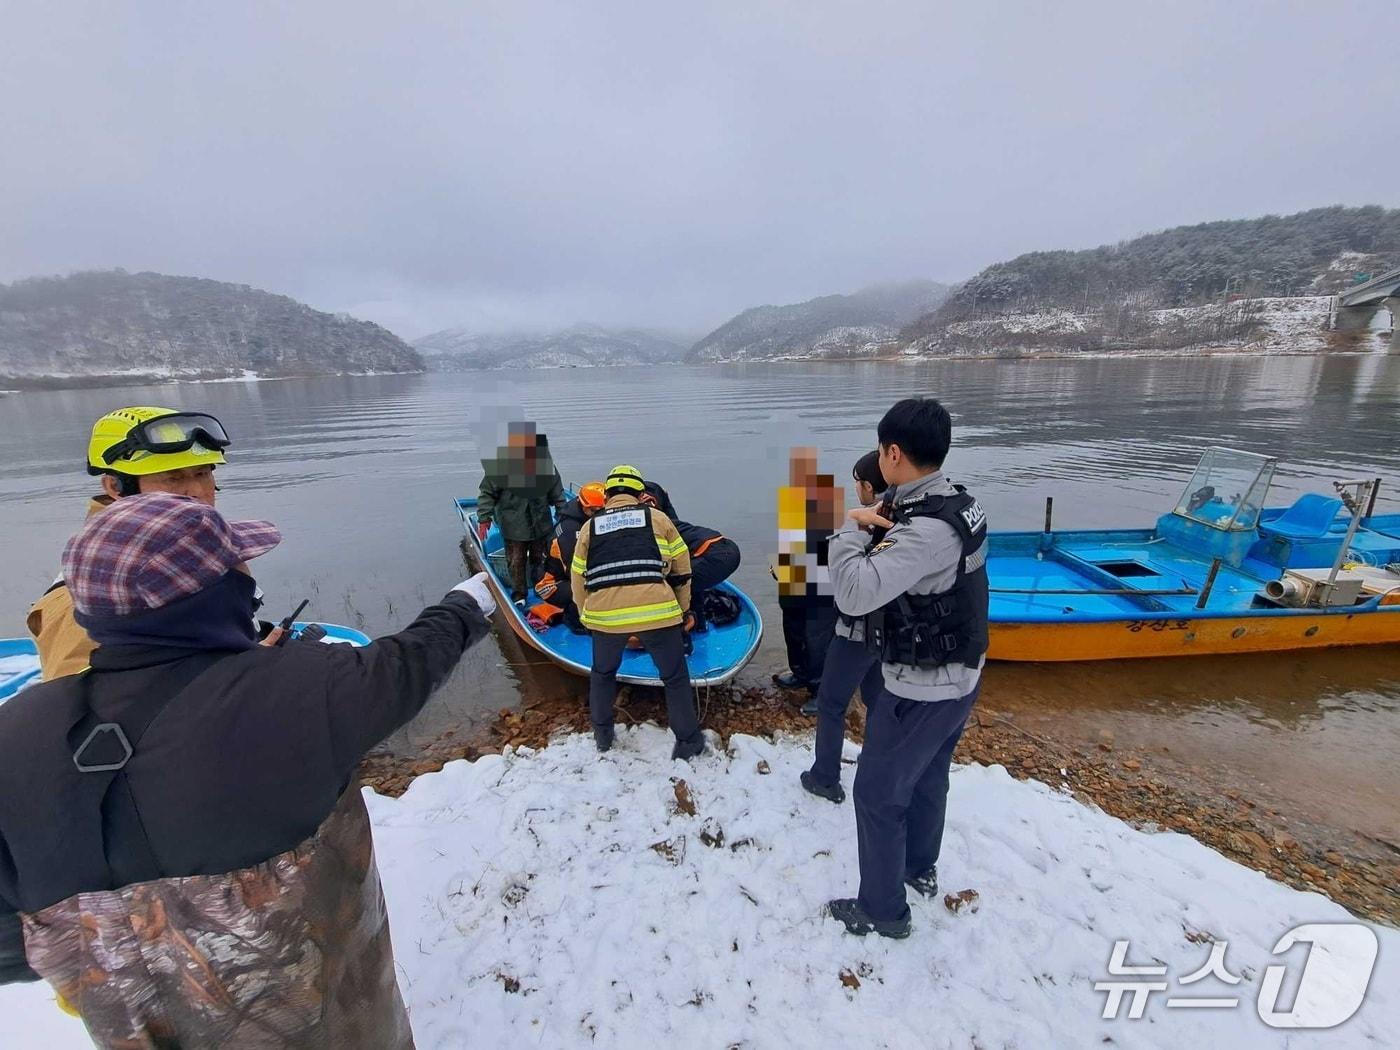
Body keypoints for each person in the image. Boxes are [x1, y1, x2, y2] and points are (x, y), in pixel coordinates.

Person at [0, 493, 498, 1046]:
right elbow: (407, 665)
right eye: (239, 567)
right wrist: (465, 606)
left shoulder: (17, 727)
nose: (249, 575)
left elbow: (8, 940)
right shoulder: (304, 689)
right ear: (207, 599)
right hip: (324, 1024)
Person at [822, 399, 989, 939]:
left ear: (893, 453)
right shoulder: (956, 502)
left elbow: (852, 594)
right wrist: (885, 513)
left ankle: (883, 910)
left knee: (876, 794)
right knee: (928, 776)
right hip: (961, 673)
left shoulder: (926, 531)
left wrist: (851, 528)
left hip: (921, 686)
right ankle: (918, 868)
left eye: (879, 451)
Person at [27, 406, 235, 681]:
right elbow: (83, 707)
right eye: (172, 478)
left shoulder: (191, 552)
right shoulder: (85, 601)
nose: (196, 493)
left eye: (201, 474)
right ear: (114, 487)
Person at [571, 464, 703, 760]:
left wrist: (587, 616)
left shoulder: (589, 528)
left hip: (605, 618)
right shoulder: (659, 519)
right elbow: (682, 571)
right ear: (641, 494)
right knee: (674, 676)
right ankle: (688, 741)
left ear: (607, 496)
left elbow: (577, 578)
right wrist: (681, 612)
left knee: (603, 674)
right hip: (658, 612)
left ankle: (603, 735)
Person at [797, 451, 890, 722]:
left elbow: (852, 565)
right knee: (876, 691)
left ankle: (822, 691)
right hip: (877, 621)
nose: (855, 487)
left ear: (868, 486)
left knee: (832, 697)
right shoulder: (893, 509)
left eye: (857, 482)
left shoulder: (875, 518)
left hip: (860, 619)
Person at [772, 448, 842, 696]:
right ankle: (799, 673)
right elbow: (789, 542)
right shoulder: (790, 499)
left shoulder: (826, 498)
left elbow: (829, 548)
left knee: (817, 638)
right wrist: (780, 565)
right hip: (794, 577)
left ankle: (820, 689)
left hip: (819, 581)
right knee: (793, 630)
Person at [477, 422, 566, 606]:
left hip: (540, 521)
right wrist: (484, 517)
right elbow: (487, 492)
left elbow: (556, 489)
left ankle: (541, 588)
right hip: (513, 523)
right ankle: (519, 595)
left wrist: (562, 511)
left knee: (540, 558)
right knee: (516, 561)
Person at [535, 481, 607, 632]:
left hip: (572, 574)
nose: (600, 515)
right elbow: (574, 571)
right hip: (551, 583)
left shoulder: (591, 521)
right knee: (588, 590)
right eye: (595, 511)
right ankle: (574, 621)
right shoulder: (569, 532)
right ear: (584, 506)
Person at [673, 518, 741, 631]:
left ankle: (686, 626)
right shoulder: (664, 520)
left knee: (677, 582)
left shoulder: (651, 530)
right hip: (730, 549)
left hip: (713, 556)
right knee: (694, 582)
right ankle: (700, 624)